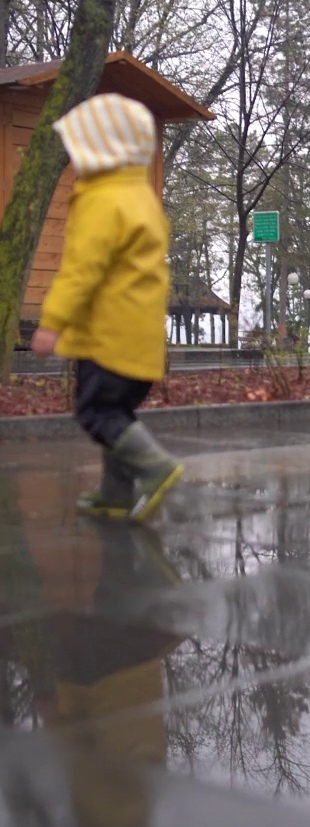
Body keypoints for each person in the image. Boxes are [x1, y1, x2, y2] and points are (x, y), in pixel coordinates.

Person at [31, 92, 183, 521]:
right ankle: (116, 493)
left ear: (102, 152)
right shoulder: (140, 197)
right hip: (138, 337)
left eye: (79, 150)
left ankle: (157, 468)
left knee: (96, 411)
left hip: (107, 337)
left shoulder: (103, 201)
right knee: (116, 413)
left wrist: (52, 323)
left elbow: (81, 270)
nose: (74, 160)